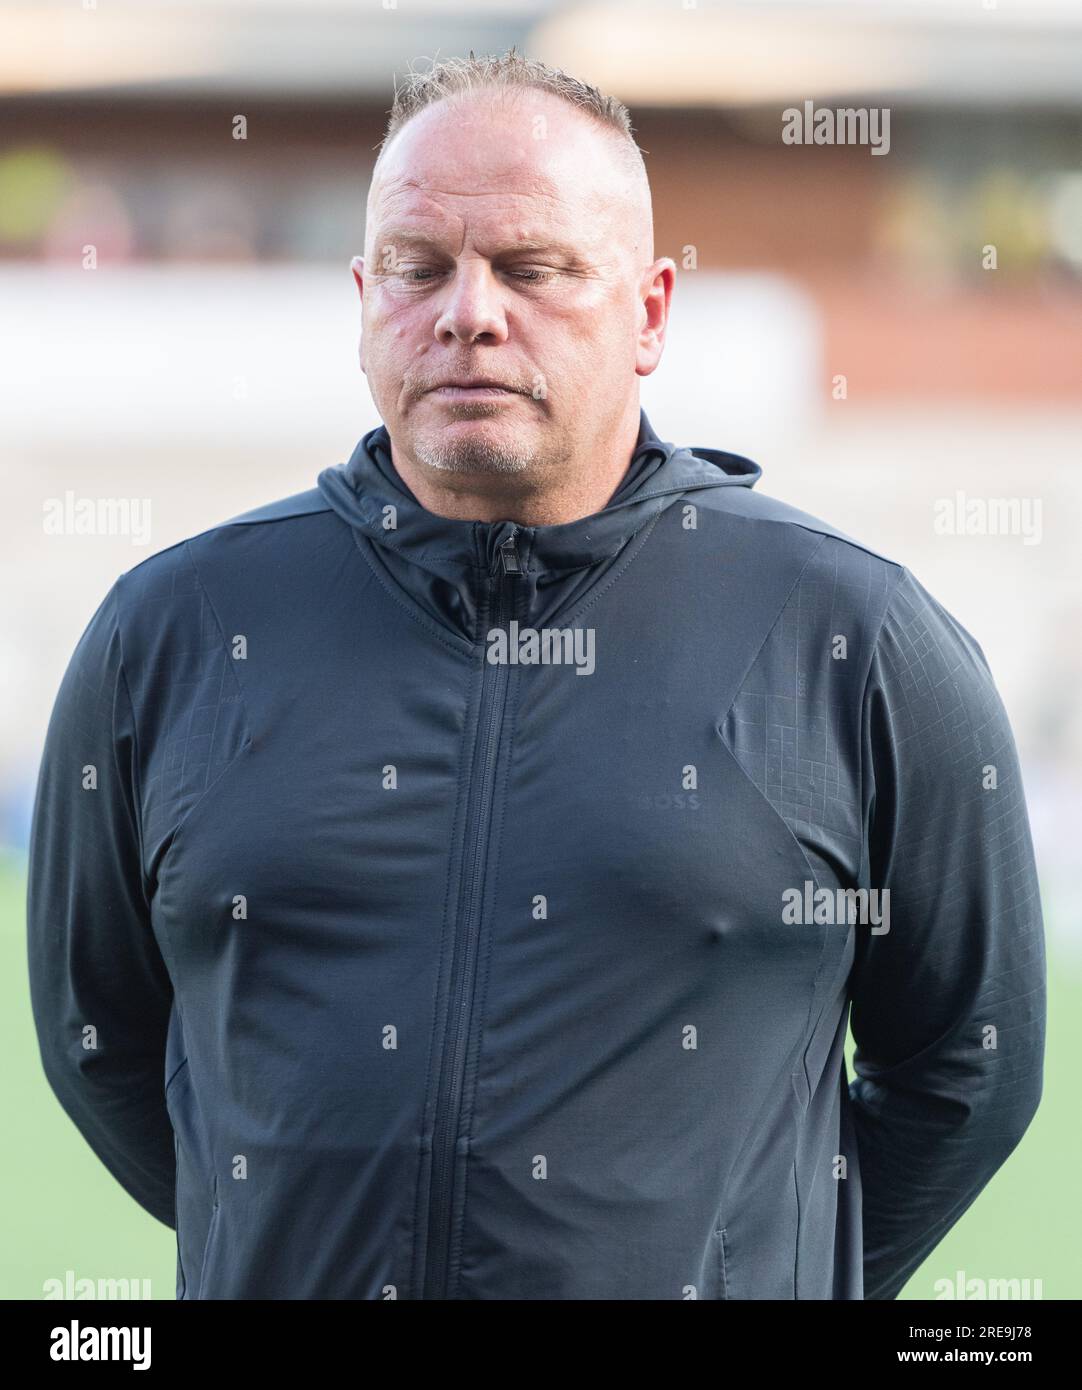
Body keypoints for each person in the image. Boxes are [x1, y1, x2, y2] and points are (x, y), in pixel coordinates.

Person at [26, 49, 1046, 1301]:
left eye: (532, 267)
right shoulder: (171, 630)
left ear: (651, 313)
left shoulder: (853, 637)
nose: (467, 312)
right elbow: (102, 1045)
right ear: (363, 301)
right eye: (417, 268)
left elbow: (968, 1069)